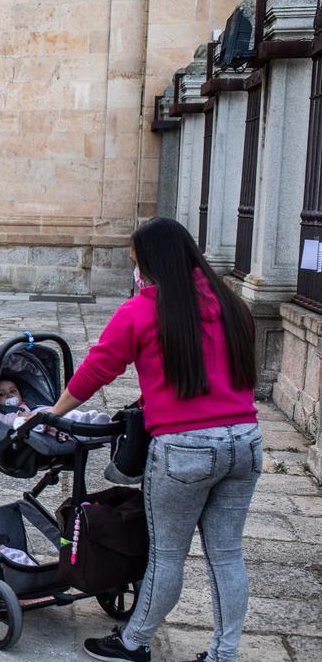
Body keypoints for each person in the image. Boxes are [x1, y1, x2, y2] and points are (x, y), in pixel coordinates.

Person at [40, 219, 259, 662]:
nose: (135, 271)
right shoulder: (234, 306)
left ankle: (133, 642)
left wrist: (55, 412)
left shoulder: (141, 311)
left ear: (151, 262)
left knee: (167, 554)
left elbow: (98, 369)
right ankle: (224, 655)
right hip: (246, 441)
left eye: (135, 262)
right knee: (227, 555)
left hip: (185, 450)